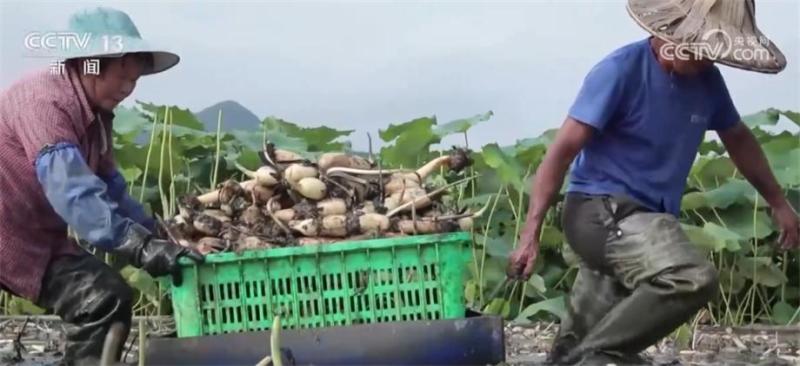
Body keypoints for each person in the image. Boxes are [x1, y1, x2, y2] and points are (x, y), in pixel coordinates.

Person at [507, 0, 799, 364]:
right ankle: (604, 356)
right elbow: (560, 153)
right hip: (598, 212)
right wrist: (530, 235)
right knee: (689, 276)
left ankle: (585, 354)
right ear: (670, 37)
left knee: (570, 353)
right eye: (701, 51)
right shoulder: (620, 71)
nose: (709, 61)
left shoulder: (707, 82)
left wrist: (777, 201)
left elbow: (738, 138)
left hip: (642, 225)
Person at [0, 7, 203, 365]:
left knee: (106, 297)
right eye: (121, 76)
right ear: (90, 64)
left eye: (135, 79)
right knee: (98, 299)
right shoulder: (44, 102)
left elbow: (110, 190)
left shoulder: (96, 118)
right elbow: (74, 193)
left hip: (34, 238)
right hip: (8, 234)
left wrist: (159, 234)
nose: (127, 88)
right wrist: (139, 248)